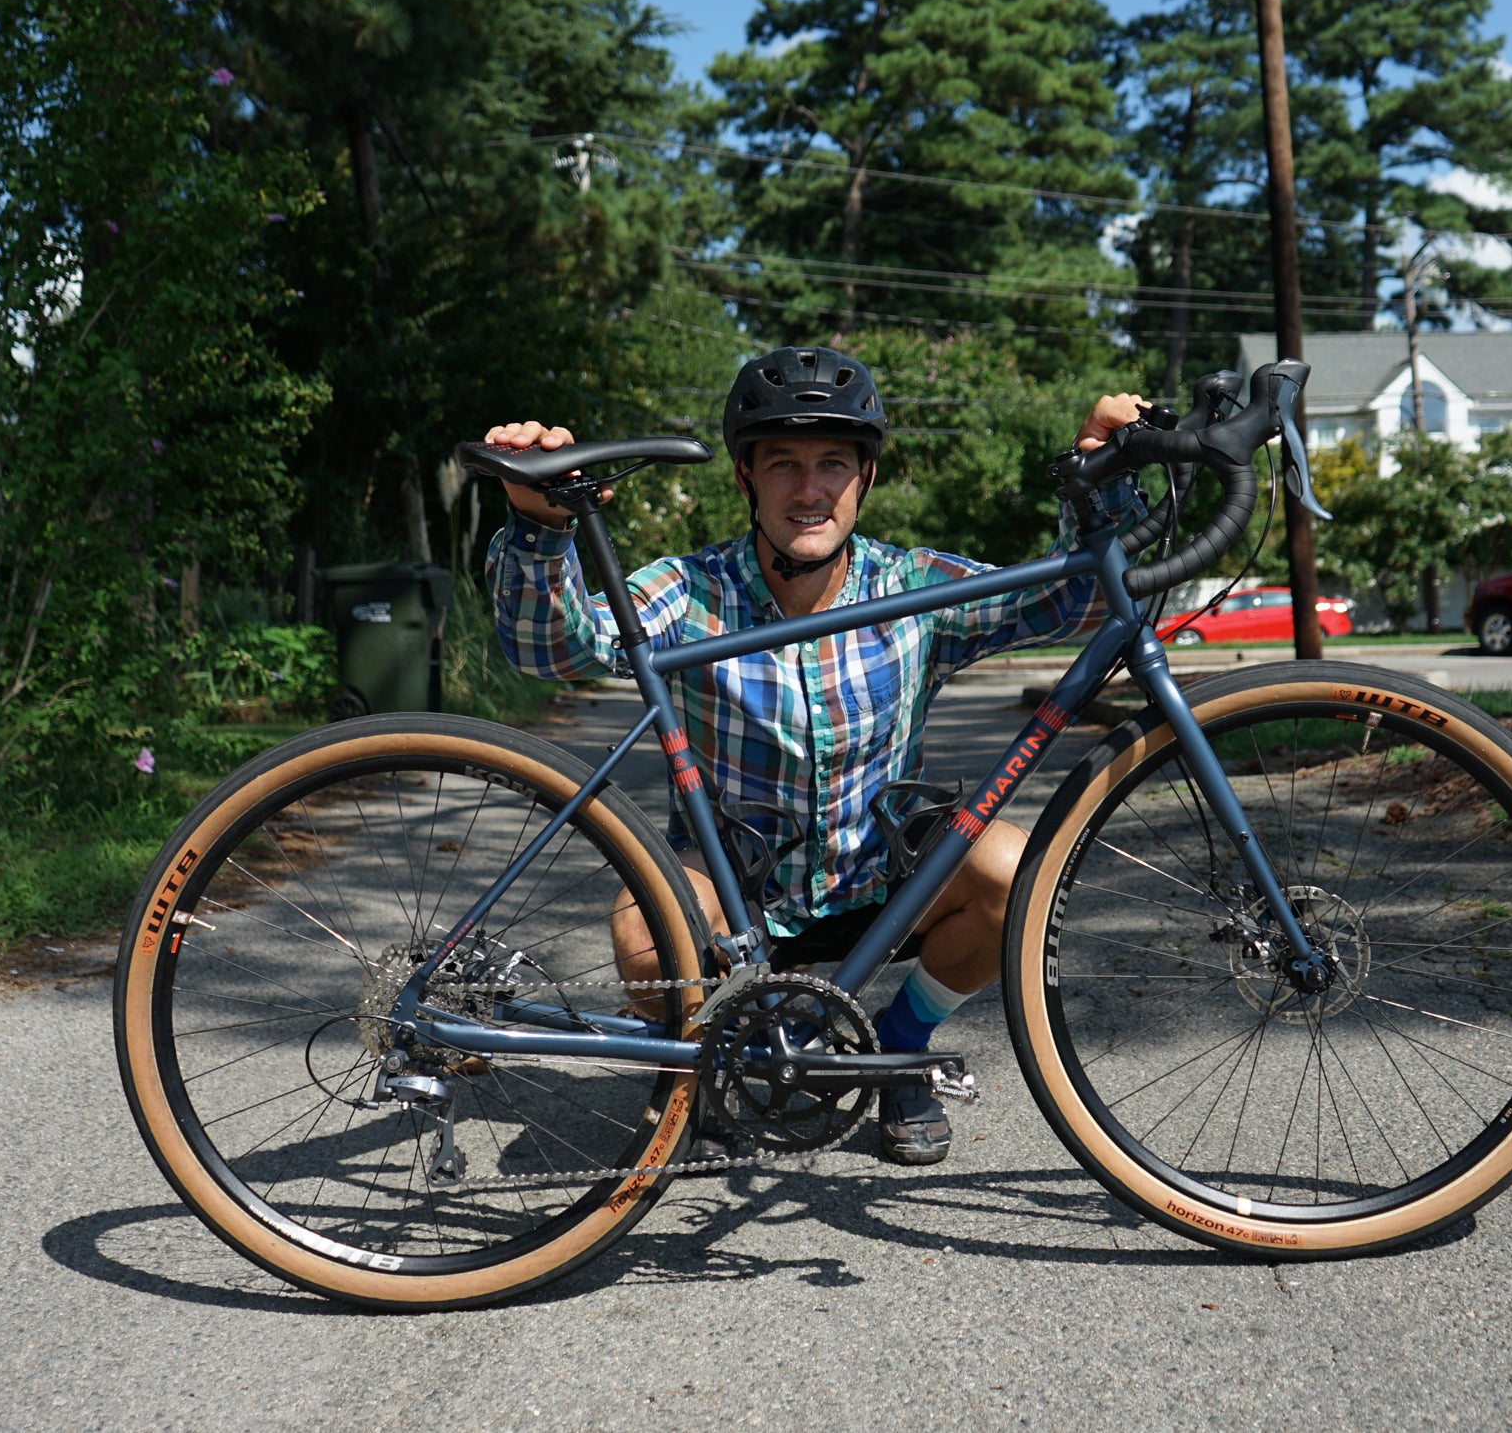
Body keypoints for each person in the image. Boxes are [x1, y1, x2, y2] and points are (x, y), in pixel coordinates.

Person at [483, 345, 1148, 1164]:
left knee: (1016, 872)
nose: (809, 490)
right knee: (644, 930)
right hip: (739, 893)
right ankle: (697, 1069)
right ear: (744, 479)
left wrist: (1099, 469)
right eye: (784, 464)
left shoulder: (912, 586)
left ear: (864, 478)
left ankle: (896, 1053)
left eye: (833, 463)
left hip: (882, 880)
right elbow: (547, 650)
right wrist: (538, 524)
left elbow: (1067, 596)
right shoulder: (690, 591)